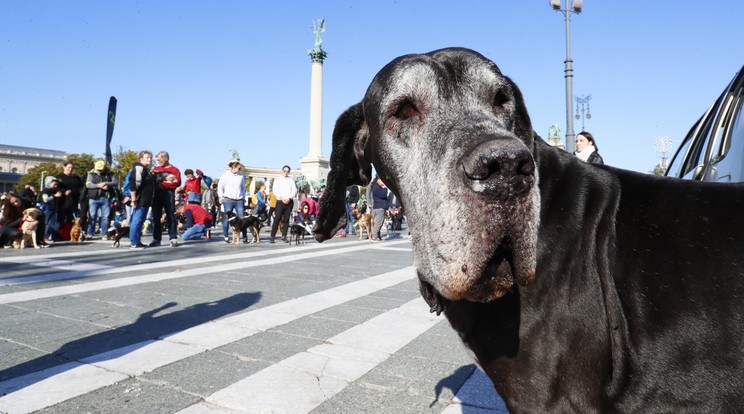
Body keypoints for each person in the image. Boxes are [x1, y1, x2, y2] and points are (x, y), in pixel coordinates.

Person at [150, 151, 182, 247]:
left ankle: (173, 237)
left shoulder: (174, 170)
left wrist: (162, 183)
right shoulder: (155, 169)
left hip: (168, 194)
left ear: (166, 158)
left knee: (170, 215)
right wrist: (166, 181)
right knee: (156, 216)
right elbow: (153, 181)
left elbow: (177, 183)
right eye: (157, 160)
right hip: (156, 194)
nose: (158, 161)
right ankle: (156, 239)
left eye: (160, 159)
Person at [128, 150, 155, 249]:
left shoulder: (146, 169)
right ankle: (134, 242)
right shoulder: (139, 168)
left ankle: (137, 241)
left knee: (140, 220)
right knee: (137, 220)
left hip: (145, 199)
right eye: (147, 157)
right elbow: (134, 184)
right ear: (141, 158)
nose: (150, 159)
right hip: (140, 199)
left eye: (150, 157)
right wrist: (133, 199)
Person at [85, 160, 118, 240]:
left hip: (105, 198)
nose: (99, 170)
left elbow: (115, 182)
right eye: (98, 169)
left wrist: (106, 184)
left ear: (105, 167)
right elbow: (88, 184)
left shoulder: (110, 173)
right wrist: (98, 185)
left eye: (101, 169)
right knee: (92, 216)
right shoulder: (91, 174)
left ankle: (105, 234)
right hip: (93, 198)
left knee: (105, 217)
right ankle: (90, 233)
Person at [217, 159, 246, 243]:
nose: (239, 169)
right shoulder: (225, 175)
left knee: (241, 218)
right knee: (227, 218)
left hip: (239, 199)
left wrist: (243, 197)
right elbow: (220, 186)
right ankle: (226, 236)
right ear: (233, 166)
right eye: (238, 168)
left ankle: (244, 237)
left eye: (240, 168)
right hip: (228, 199)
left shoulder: (241, 176)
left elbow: (243, 188)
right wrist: (221, 196)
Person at [270, 165, 298, 243]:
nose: (286, 173)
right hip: (280, 201)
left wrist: (289, 198)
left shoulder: (291, 180)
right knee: (277, 219)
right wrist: (282, 198)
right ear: (282, 171)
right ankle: (272, 236)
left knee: (286, 220)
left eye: (287, 171)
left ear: (289, 172)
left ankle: (284, 236)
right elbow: (275, 190)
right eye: (284, 171)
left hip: (289, 201)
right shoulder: (278, 179)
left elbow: (294, 190)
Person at [38, 176, 64, 242]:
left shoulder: (53, 190)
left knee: (54, 224)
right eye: (54, 184)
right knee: (48, 224)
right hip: (47, 209)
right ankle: (44, 237)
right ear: (49, 183)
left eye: (56, 185)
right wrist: (54, 196)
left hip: (53, 209)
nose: (56, 186)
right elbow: (45, 199)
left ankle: (47, 236)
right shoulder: (45, 190)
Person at [368, 176, 389, 242]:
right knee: (378, 223)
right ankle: (374, 237)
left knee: (377, 222)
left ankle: (377, 236)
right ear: (378, 180)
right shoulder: (377, 187)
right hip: (379, 207)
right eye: (381, 180)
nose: (383, 182)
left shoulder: (376, 187)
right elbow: (384, 195)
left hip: (378, 207)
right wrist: (385, 188)